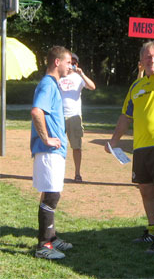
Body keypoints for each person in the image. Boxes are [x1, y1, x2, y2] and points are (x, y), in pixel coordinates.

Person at [105, 16, 154, 254]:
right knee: (145, 190)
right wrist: (114, 142)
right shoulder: (135, 87)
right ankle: (151, 231)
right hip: (140, 147)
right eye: (148, 57)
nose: (152, 60)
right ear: (141, 61)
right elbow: (125, 117)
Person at [30, 46, 73, 260]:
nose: (71, 67)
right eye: (68, 63)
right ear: (57, 62)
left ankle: (52, 238)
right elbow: (37, 111)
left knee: (51, 193)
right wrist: (46, 138)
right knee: (52, 195)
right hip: (49, 150)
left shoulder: (52, 85)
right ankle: (43, 246)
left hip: (54, 151)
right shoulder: (48, 84)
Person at [59, 53, 96, 182]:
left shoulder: (78, 77)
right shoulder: (59, 76)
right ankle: (58, 172)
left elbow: (92, 87)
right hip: (59, 116)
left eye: (74, 63)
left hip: (74, 116)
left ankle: (77, 173)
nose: (71, 66)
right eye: (69, 62)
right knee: (58, 146)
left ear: (77, 65)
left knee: (76, 146)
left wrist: (82, 74)